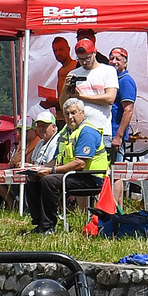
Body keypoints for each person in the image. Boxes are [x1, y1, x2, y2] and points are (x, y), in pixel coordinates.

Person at [21, 98, 108, 232]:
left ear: (82, 113)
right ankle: (39, 223)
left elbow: (80, 163)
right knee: (33, 178)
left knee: (49, 181)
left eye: (73, 113)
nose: (70, 117)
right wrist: (38, 169)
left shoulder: (87, 132)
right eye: (67, 114)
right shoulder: (65, 132)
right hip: (73, 175)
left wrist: (51, 170)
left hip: (92, 178)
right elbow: (57, 158)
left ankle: (49, 226)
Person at [65, 38, 119, 140]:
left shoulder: (108, 71)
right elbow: (64, 104)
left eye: (87, 58)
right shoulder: (74, 73)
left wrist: (81, 97)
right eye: (80, 59)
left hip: (101, 130)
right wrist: (65, 87)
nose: (84, 62)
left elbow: (110, 98)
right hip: (78, 131)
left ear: (95, 52)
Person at [109, 47, 139, 153]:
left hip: (115, 135)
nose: (114, 62)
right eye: (111, 58)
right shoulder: (111, 80)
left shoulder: (125, 81)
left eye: (118, 59)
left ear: (125, 63)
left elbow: (128, 110)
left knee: (114, 168)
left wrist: (119, 136)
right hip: (107, 133)